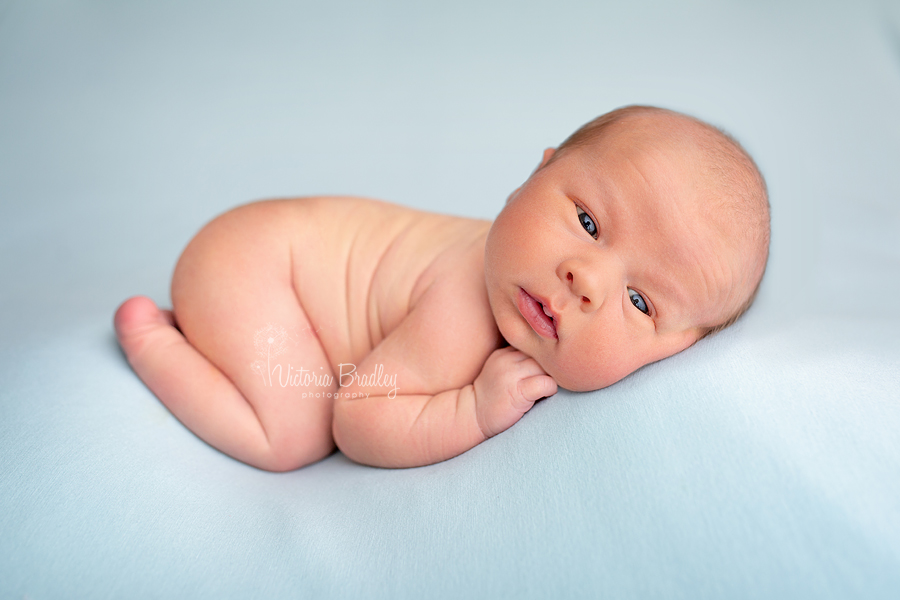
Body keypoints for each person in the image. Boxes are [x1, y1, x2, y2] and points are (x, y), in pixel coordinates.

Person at [114, 105, 770, 471]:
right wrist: (473, 411)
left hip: (265, 263)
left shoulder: (521, 267)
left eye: (639, 301)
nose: (587, 279)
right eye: (588, 221)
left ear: (676, 350)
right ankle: (153, 341)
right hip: (252, 269)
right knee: (294, 434)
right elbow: (359, 416)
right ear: (537, 173)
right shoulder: (463, 305)